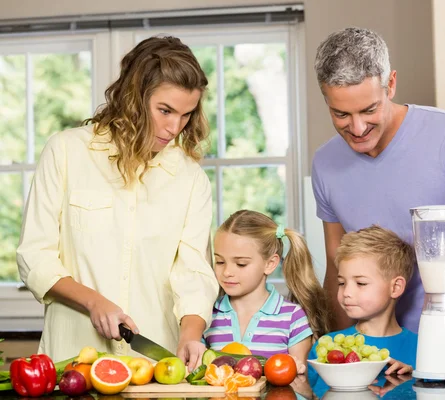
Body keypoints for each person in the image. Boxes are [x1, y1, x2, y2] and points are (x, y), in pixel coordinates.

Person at [311, 27, 445, 375]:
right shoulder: (325, 164)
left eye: (369, 109)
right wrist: (340, 348)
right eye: (341, 115)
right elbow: (338, 265)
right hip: (377, 354)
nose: (358, 127)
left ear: (391, 84)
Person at [16, 36, 219, 370]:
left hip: (154, 367)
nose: (174, 128)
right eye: (165, 110)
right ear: (134, 97)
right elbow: (34, 256)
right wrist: (94, 302)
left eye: (186, 115)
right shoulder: (67, 152)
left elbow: (194, 272)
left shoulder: (190, 177)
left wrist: (190, 334)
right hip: (72, 361)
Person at [203, 210, 329, 372]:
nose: (227, 272)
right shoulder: (207, 314)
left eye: (241, 264)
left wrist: (296, 373)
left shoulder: (292, 317)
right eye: (220, 262)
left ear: (270, 264)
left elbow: (303, 387)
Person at [307, 225, 420, 398]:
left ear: (395, 287)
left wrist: (413, 378)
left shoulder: (421, 349)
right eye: (341, 283)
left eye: (361, 283)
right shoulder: (326, 345)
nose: (346, 293)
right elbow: (311, 394)